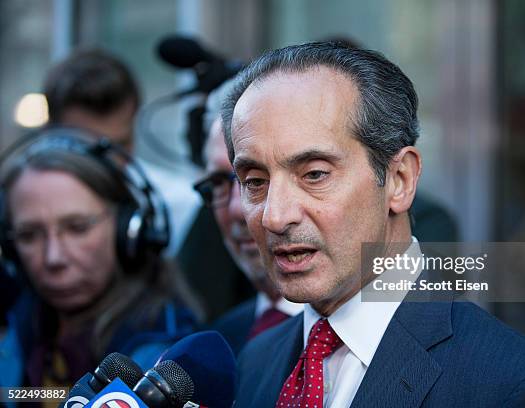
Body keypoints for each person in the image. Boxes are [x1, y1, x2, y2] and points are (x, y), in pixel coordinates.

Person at [220, 42, 525, 407]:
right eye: (255, 181)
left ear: (400, 180)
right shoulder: (255, 359)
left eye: (315, 174)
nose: (274, 215)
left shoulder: (524, 388)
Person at [0, 127, 202, 398]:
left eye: (78, 227)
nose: (53, 257)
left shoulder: (167, 359)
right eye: (28, 235)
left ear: (129, 229)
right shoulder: (17, 329)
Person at [43, 48, 201, 255]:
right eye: (86, 150)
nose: (105, 165)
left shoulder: (181, 205)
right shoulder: (24, 206)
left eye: (118, 146)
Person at [193, 81, 302, 355]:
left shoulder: (401, 323)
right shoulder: (219, 342)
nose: (237, 209)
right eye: (219, 182)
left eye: (257, 180)